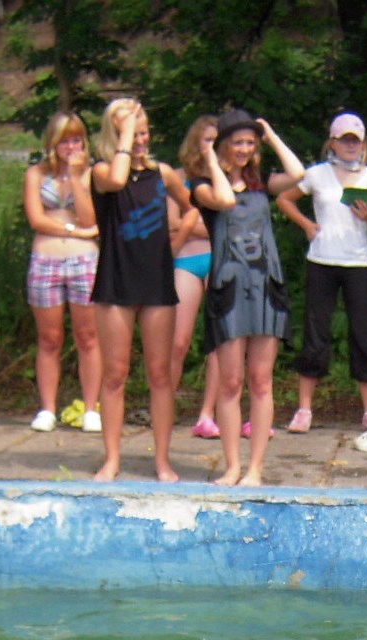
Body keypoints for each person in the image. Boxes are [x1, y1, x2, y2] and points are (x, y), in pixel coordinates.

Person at [190, 107, 304, 486]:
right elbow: (224, 201)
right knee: (230, 382)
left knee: (261, 380)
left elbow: (299, 175)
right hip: (230, 292)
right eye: (237, 142)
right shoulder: (202, 186)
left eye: (250, 144)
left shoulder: (262, 183)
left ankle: (255, 467)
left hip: (266, 288)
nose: (244, 149)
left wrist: (272, 138)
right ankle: (232, 466)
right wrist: (212, 160)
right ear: (223, 145)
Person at [276, 112, 367, 435]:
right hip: (322, 260)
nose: (350, 146)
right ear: (332, 142)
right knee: (316, 331)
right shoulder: (317, 174)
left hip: (358, 263)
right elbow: (285, 199)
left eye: (355, 141)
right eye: (344, 140)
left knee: (364, 334)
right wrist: (306, 224)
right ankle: (304, 409)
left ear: (363, 144)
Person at [90, 98, 191, 482]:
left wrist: (177, 241)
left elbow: (191, 206)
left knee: (160, 374)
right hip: (116, 278)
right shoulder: (102, 171)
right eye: (131, 133)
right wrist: (125, 135)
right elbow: (117, 181)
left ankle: (162, 460)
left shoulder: (162, 173)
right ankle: (112, 458)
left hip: (155, 279)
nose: (139, 140)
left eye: (143, 132)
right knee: (115, 374)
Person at [23, 111, 102, 435]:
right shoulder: (36, 174)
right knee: (50, 338)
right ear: (53, 144)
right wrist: (72, 230)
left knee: (88, 337)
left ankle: (91, 408)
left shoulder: (92, 174)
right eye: (65, 141)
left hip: (85, 261)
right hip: (46, 260)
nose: (71, 147)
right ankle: (47, 408)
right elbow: (37, 219)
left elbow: (90, 218)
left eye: (76, 140)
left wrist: (74, 176)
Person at [168, 115, 224, 440]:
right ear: (195, 142)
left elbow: (225, 225)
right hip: (186, 262)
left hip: (219, 260)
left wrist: (191, 224)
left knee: (218, 342)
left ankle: (208, 413)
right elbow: (172, 223)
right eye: (207, 140)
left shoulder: (224, 179)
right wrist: (205, 226)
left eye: (217, 140)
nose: (212, 146)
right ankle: (164, 405)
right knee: (178, 340)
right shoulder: (178, 177)